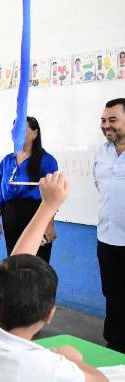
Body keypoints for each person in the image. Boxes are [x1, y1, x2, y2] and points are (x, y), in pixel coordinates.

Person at [0, 172, 112, 382]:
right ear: (49, 315)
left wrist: (48, 206)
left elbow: (14, 262)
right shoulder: (51, 368)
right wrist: (74, 360)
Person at [0, 116, 59, 263]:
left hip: (36, 214)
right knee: (14, 261)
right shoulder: (6, 161)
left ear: (35, 133)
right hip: (10, 215)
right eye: (14, 129)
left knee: (36, 262)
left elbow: (53, 195)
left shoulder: (47, 161)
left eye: (22, 129)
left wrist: (48, 224)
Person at [94, 98, 125, 354]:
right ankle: (114, 343)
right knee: (112, 292)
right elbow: (100, 187)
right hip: (106, 237)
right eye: (104, 120)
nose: (106, 125)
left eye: (113, 119)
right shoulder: (102, 153)